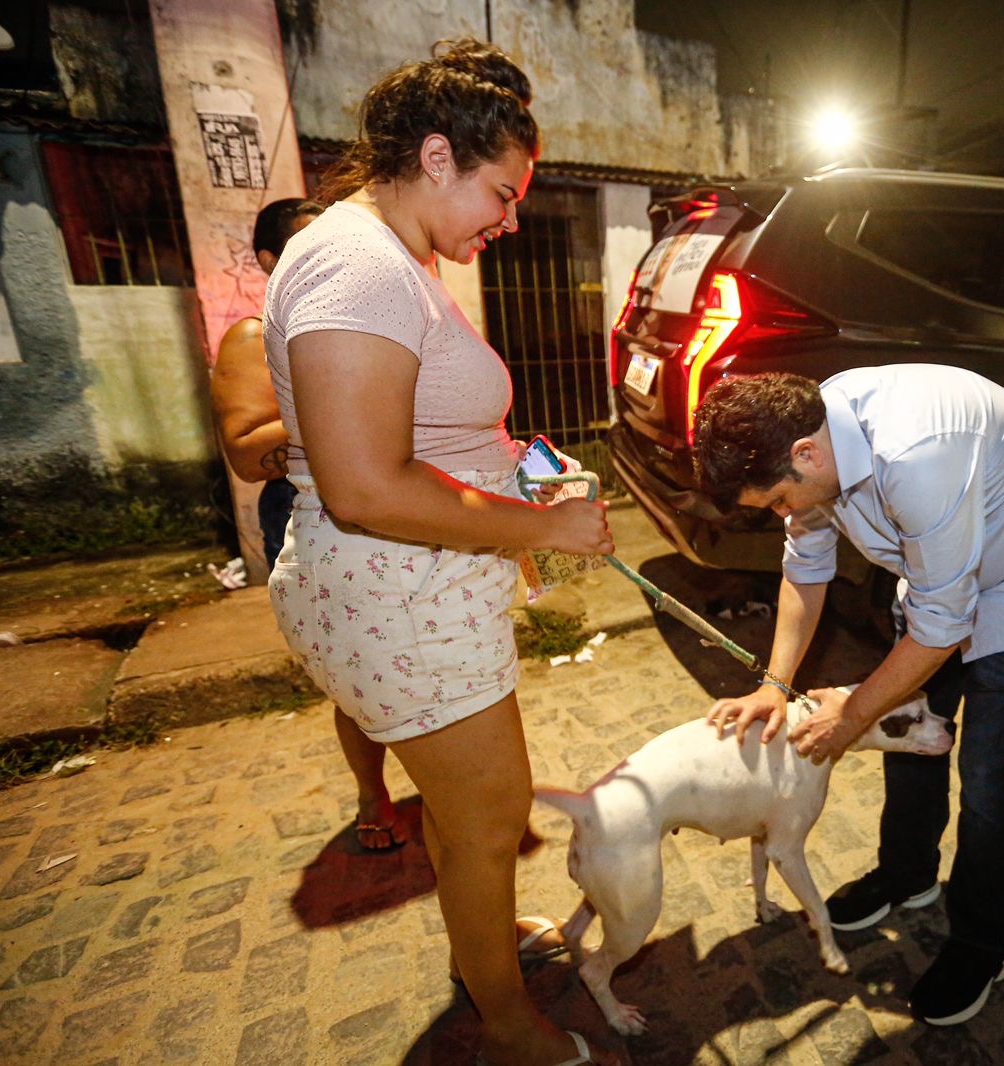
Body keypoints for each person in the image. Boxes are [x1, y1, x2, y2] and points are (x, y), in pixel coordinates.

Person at [262, 40, 615, 1066]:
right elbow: (368, 484)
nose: (506, 222)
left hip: (421, 593)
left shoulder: (392, 257)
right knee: (488, 813)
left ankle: (484, 942)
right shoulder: (354, 261)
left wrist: (520, 473)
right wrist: (539, 527)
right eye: (499, 194)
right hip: (394, 596)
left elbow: (422, 440)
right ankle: (503, 1020)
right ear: (433, 156)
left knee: (474, 816)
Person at [696, 365, 1004, 1027]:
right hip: (941, 573)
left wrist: (853, 712)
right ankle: (909, 873)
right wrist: (776, 686)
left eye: (778, 500)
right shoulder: (812, 442)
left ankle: (982, 939)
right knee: (912, 731)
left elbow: (944, 627)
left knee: (989, 778)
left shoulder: (917, 453)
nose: (783, 514)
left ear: (805, 454)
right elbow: (805, 571)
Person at [211, 199, 407, 855]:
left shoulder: (361, 319)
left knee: (410, 658)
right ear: (269, 262)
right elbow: (244, 451)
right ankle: (371, 794)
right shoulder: (251, 336)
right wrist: (348, 412)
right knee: (355, 672)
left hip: (388, 508)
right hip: (307, 514)